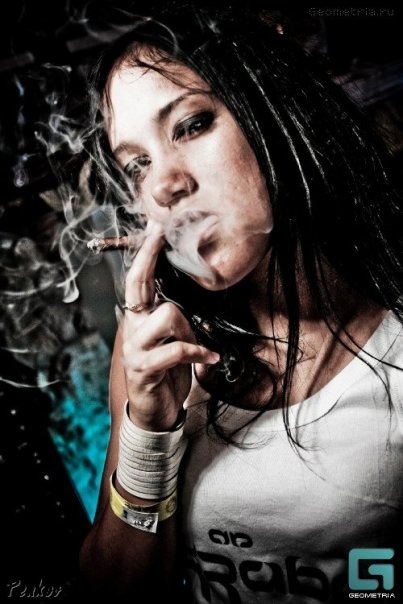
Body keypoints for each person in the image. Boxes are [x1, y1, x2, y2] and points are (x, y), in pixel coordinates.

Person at [78, 4, 403, 602]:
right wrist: (149, 427)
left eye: (191, 125)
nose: (163, 184)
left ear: (269, 112)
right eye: (138, 164)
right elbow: (115, 589)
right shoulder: (157, 342)